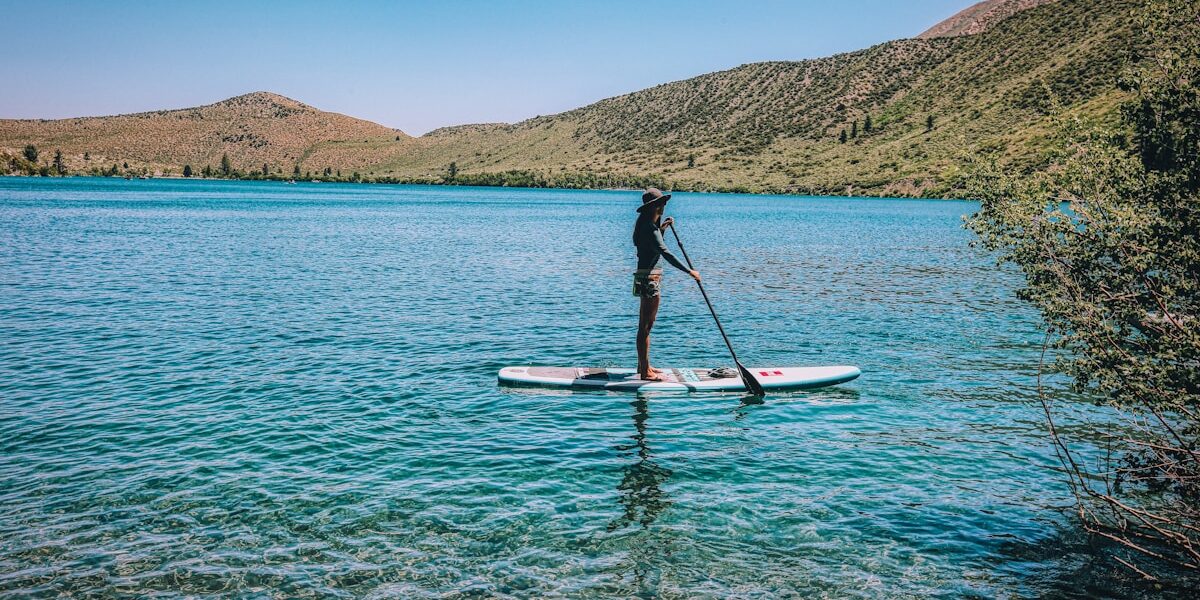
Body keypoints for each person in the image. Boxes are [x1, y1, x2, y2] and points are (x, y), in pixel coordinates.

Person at [632, 188, 701, 381]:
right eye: (662, 203)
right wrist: (689, 271)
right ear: (655, 207)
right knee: (646, 326)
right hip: (650, 279)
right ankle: (645, 372)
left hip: (645, 276)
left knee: (645, 325)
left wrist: (663, 228)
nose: (664, 206)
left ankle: (643, 366)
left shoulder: (644, 224)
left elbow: (651, 244)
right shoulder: (649, 227)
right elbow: (665, 253)